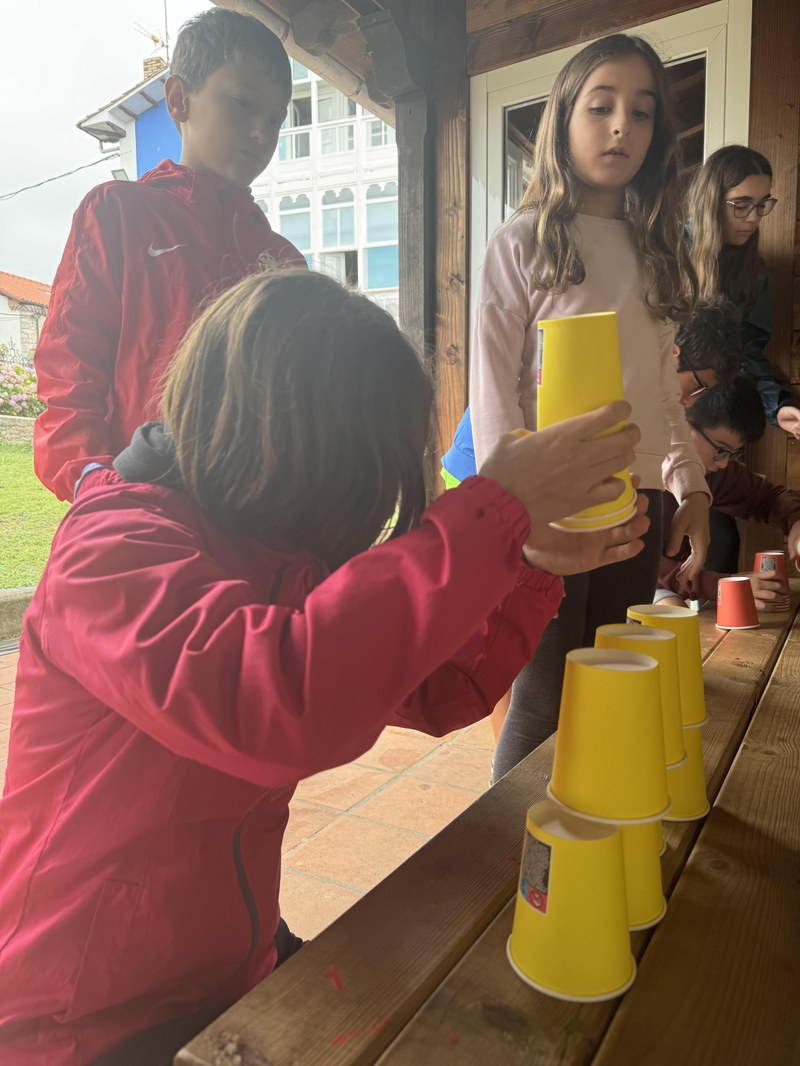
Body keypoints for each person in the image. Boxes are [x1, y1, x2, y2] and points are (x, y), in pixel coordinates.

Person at [0, 270, 649, 1065]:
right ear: (285, 440)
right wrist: (488, 512)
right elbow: (279, 702)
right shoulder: (112, 551)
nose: (375, 504)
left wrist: (529, 560)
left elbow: (443, 685)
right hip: (81, 1015)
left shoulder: (275, 551)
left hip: (223, 965)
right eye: (366, 470)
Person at [466, 34, 711, 781]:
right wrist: (518, 509)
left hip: (636, 501)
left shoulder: (660, 249)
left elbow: (662, 395)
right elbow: (495, 394)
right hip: (552, 503)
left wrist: (691, 485)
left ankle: (584, 849)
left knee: (608, 677)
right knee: (542, 695)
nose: (620, 128)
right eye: (601, 106)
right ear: (563, 119)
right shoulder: (522, 243)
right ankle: (515, 868)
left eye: (640, 113)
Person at [33, 7, 305, 503]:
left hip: (252, 525)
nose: (262, 133)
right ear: (179, 99)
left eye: (275, 118)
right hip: (135, 511)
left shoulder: (283, 261)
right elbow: (69, 370)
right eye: (243, 105)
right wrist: (94, 485)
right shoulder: (117, 214)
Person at [441, 296, 743, 487]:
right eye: (698, 387)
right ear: (675, 353)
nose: (690, 402)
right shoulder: (614, 356)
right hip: (479, 469)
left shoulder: (641, 363)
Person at [686, 144, 800, 438]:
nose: (753, 218)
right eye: (741, 204)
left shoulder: (753, 272)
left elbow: (747, 350)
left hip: (713, 420)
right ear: (710, 201)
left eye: (762, 205)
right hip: (651, 401)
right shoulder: (666, 254)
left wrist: (777, 408)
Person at [657, 375, 800, 608]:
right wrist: (721, 585)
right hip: (622, 587)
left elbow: (769, 498)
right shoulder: (638, 468)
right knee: (672, 610)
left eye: (731, 454)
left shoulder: (712, 472)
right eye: (720, 450)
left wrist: (796, 521)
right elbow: (640, 565)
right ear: (681, 420)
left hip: (674, 585)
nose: (723, 463)